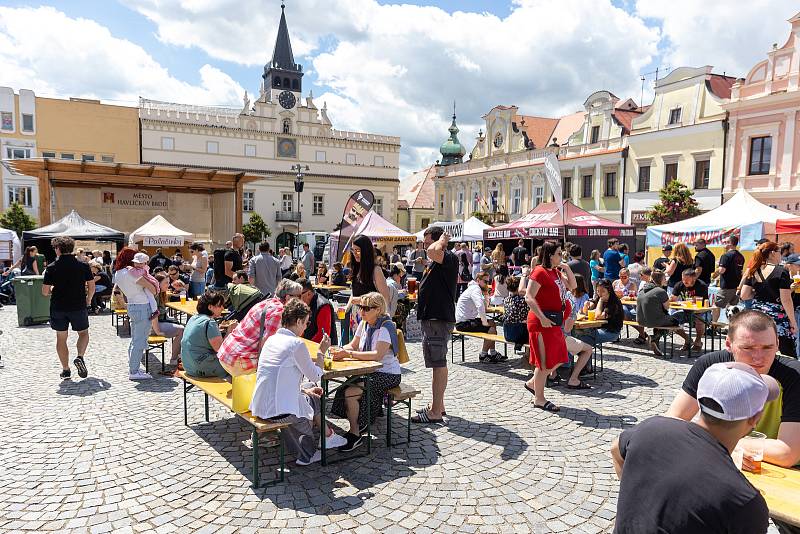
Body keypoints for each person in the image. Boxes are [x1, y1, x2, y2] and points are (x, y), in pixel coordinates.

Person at [612, 361, 775, 534]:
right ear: (756, 418)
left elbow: (616, 449)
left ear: (699, 400)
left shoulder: (651, 428)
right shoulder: (744, 501)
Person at [666, 310, 800, 472]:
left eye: (767, 347)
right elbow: (672, 421)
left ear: (778, 344)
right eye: (748, 348)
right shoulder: (710, 366)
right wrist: (728, 448)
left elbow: (787, 453)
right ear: (728, 344)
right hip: (723, 465)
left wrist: (723, 443)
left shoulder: (795, 376)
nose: (758, 357)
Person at [249, 299, 344, 466]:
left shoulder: (271, 339)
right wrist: (321, 352)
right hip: (277, 410)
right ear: (299, 321)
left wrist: (304, 391)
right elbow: (316, 375)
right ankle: (312, 448)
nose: (306, 327)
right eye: (306, 323)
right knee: (315, 395)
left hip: (260, 404)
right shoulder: (295, 344)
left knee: (309, 390)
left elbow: (281, 378)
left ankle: (326, 436)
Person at [330, 292, 403, 451]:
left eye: (366, 308)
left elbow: (377, 355)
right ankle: (359, 425)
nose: (361, 311)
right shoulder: (364, 324)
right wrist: (339, 350)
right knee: (346, 389)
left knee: (351, 392)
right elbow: (353, 345)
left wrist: (348, 354)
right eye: (360, 307)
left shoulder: (386, 326)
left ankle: (355, 433)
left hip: (388, 374)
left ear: (378, 310)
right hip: (370, 371)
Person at [524, 240, 576, 412]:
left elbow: (573, 286)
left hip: (553, 321)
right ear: (550, 255)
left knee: (560, 356)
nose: (561, 256)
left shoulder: (555, 272)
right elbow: (529, 297)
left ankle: (533, 383)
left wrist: (566, 268)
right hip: (541, 322)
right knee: (544, 362)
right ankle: (539, 398)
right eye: (559, 253)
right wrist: (542, 317)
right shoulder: (539, 272)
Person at [413, 226, 458, 424]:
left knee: (438, 364)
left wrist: (442, 240)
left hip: (437, 318)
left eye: (427, 240)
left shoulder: (448, 256)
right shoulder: (436, 260)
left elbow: (433, 251)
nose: (425, 245)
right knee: (437, 364)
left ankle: (435, 412)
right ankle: (437, 405)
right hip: (432, 318)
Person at [217, 279, 302, 376]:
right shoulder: (279, 311)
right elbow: (267, 344)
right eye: (299, 296)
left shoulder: (266, 302)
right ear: (288, 297)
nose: (301, 300)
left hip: (226, 353)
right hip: (238, 360)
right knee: (286, 368)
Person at [42, 236, 95, 380]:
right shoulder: (83, 265)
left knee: (61, 338)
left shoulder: (52, 267)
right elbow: (91, 286)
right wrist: (88, 299)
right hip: (78, 305)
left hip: (58, 307)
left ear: (58, 249)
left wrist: (54, 288)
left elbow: (45, 292)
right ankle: (80, 356)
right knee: (83, 333)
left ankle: (65, 370)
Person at [740, 241, 798, 357]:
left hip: (756, 315)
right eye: (779, 252)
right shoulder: (781, 272)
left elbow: (744, 295)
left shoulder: (754, 270)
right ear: (772, 253)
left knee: (758, 349)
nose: (780, 255)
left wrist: (759, 294)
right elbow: (786, 300)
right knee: (787, 354)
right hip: (776, 318)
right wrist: (793, 321)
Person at [113, 247, 158, 380]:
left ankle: (134, 366)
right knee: (139, 340)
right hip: (142, 306)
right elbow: (154, 290)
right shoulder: (135, 274)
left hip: (131, 305)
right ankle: (134, 371)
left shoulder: (119, 273)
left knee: (134, 339)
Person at [637, 271, 691, 356]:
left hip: (641, 321)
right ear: (661, 280)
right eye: (664, 278)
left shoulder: (642, 290)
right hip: (655, 320)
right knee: (680, 316)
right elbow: (667, 307)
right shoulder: (660, 291)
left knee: (665, 320)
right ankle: (655, 337)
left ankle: (656, 341)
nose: (666, 280)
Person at [180, 290, 228, 378]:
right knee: (236, 367)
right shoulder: (210, 322)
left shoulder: (194, 318)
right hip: (201, 368)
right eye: (220, 305)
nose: (222, 308)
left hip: (188, 366)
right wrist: (230, 331)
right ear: (210, 307)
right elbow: (221, 350)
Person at [456, 271, 500, 362]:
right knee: (491, 329)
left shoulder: (476, 288)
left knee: (492, 323)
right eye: (485, 281)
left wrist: (486, 294)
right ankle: (483, 355)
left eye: (488, 282)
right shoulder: (475, 289)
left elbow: (485, 306)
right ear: (478, 280)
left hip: (466, 320)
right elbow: (480, 307)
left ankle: (493, 352)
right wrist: (484, 322)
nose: (487, 284)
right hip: (463, 323)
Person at [670, 268, 710, 351]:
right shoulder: (679, 285)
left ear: (694, 278)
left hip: (701, 312)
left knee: (700, 321)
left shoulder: (701, 285)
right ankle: (688, 339)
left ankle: (698, 341)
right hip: (686, 312)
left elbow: (695, 301)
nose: (684, 281)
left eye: (687, 280)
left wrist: (681, 303)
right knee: (670, 321)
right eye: (683, 279)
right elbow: (673, 298)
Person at [348, 234, 391, 310]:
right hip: (357, 315)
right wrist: (346, 308)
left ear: (365, 251)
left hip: (372, 317)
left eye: (358, 250)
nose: (354, 253)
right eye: (352, 250)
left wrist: (361, 300)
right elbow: (354, 293)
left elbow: (385, 298)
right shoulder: (357, 267)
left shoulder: (376, 270)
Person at [150, 273, 185, 368]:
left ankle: (178, 355)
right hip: (153, 326)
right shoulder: (155, 295)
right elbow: (154, 316)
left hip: (157, 323)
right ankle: (174, 359)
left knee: (181, 326)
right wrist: (157, 331)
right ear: (158, 284)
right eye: (166, 283)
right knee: (181, 329)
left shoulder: (161, 294)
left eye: (168, 282)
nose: (168, 285)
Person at [578, 279, 624, 348]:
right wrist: (586, 305)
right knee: (577, 334)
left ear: (609, 290)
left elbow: (597, 316)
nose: (600, 293)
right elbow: (585, 312)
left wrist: (600, 301)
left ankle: (585, 354)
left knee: (584, 338)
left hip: (611, 332)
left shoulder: (614, 303)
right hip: (598, 329)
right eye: (598, 291)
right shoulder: (598, 298)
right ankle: (583, 354)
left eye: (603, 291)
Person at [713, 234, 746, 322]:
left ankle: (712, 327)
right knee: (732, 308)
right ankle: (731, 327)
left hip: (726, 286)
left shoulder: (726, 256)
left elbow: (722, 270)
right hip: (736, 286)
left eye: (725, 242)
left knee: (716, 305)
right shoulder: (741, 256)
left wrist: (717, 268)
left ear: (729, 243)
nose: (724, 244)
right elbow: (740, 271)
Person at [297, 278, 338, 344]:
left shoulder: (323, 305)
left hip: (323, 350)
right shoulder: (304, 303)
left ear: (309, 294)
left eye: (299, 296)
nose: (296, 299)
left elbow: (323, 335)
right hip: (308, 346)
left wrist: (304, 346)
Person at [502, 276, 529, 349]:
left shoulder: (506, 300)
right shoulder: (523, 300)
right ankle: (528, 356)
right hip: (518, 335)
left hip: (507, 334)